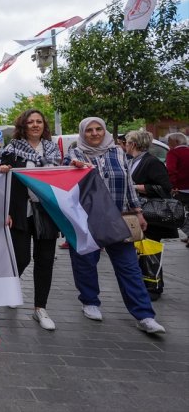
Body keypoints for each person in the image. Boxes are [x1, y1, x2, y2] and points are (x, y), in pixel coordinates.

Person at [64, 117, 165, 334]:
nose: (94, 133)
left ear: (105, 131)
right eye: (89, 130)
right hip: (87, 219)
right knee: (85, 262)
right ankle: (90, 301)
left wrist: (138, 212)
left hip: (119, 216)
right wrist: (73, 167)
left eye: (98, 129)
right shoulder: (75, 153)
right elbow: (65, 178)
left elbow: (128, 182)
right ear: (82, 133)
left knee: (129, 267)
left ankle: (144, 315)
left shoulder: (117, 152)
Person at [0, 110, 62, 331]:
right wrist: (4, 209)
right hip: (20, 211)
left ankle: (40, 308)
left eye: (39, 121)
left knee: (45, 260)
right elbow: (1, 180)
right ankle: (12, 286)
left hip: (47, 212)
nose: (35, 125)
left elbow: (62, 178)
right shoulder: (11, 149)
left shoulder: (54, 150)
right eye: (30, 122)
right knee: (21, 257)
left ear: (44, 125)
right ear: (23, 126)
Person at [125, 130, 177, 300]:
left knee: (150, 250)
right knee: (141, 249)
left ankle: (154, 287)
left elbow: (165, 188)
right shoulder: (134, 161)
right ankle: (144, 284)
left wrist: (136, 187)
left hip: (152, 214)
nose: (125, 145)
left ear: (133, 144)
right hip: (140, 213)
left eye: (127, 142)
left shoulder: (151, 162)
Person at [166, 133, 189, 246]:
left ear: (176, 142)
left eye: (169, 141)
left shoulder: (173, 153)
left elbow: (171, 170)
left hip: (180, 189)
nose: (168, 144)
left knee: (179, 215)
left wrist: (172, 186)